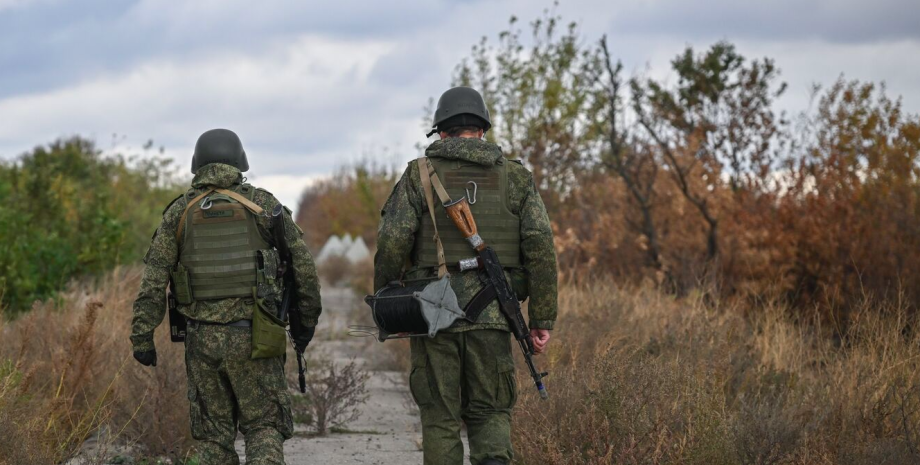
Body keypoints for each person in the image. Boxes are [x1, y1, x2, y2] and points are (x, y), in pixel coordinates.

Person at [375, 87, 558, 465]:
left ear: (441, 132)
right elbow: (541, 249)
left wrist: (388, 299)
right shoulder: (516, 178)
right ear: (483, 130)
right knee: (491, 411)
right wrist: (542, 319)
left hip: (432, 310)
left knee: (440, 416)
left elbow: (392, 240)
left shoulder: (418, 174)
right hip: (494, 314)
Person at [130, 128, 322, 465]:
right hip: (257, 336)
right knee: (263, 427)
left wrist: (142, 336)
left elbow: (153, 279)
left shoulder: (179, 212)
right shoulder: (264, 206)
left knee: (212, 439)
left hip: (201, 340)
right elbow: (303, 269)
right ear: (240, 161)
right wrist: (304, 325)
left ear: (197, 163)